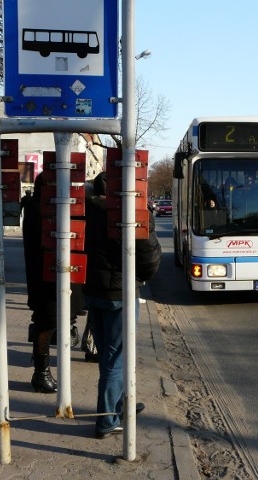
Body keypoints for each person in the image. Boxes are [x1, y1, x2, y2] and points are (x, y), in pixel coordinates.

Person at [83, 172, 162, 439]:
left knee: (107, 355)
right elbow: (149, 260)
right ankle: (107, 420)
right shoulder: (132, 214)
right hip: (120, 293)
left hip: (92, 290)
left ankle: (118, 405)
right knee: (115, 360)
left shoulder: (83, 209)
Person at [22, 175, 83, 394]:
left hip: (49, 276)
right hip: (47, 277)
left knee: (49, 322)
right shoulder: (41, 211)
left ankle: (42, 370)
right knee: (45, 324)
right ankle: (41, 373)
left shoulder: (35, 208)